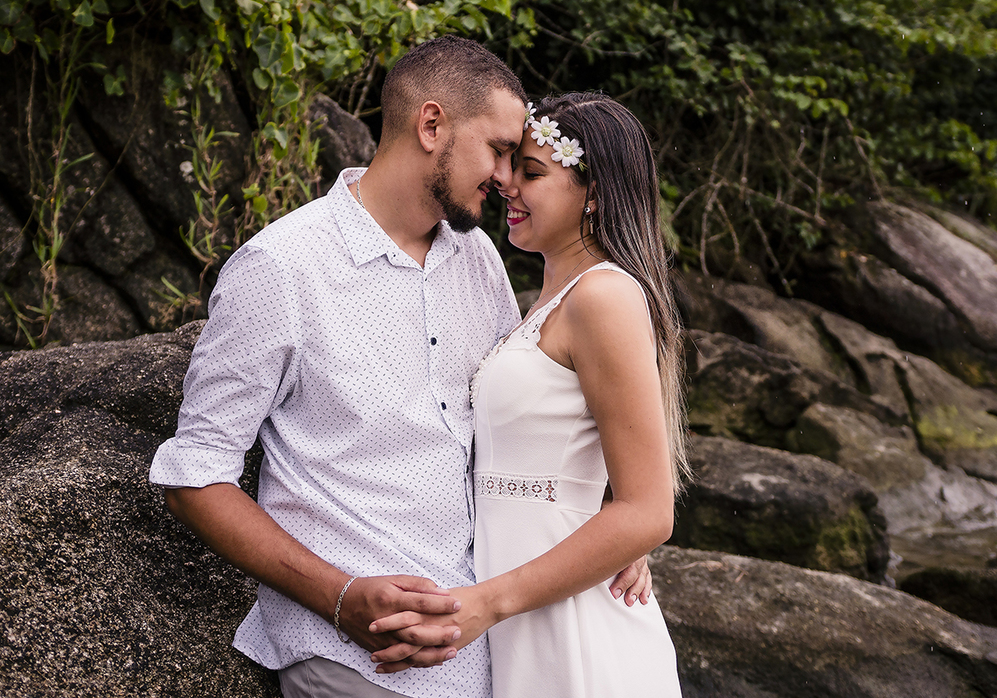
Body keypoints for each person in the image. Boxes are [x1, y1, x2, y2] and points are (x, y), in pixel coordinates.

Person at [148, 38, 647, 698]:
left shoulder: (480, 264)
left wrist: (621, 522)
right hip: (355, 657)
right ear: (432, 124)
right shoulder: (282, 269)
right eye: (499, 150)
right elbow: (195, 475)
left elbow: (531, 417)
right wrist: (340, 596)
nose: (506, 179)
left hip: (489, 656)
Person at [369, 93, 687, 696]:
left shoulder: (603, 297)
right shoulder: (544, 303)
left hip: (571, 626)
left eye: (534, 173)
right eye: (512, 164)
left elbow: (649, 510)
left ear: (596, 192)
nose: (507, 183)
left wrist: (487, 604)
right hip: (520, 612)